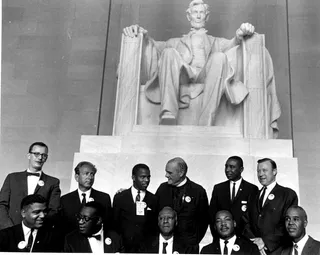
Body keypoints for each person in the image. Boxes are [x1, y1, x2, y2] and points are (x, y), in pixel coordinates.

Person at [123, 0, 256, 126]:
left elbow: (233, 43)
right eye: (195, 12)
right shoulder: (174, 42)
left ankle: (207, 119)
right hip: (184, 73)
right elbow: (152, 46)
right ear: (188, 16)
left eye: (201, 12)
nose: (198, 16)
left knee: (220, 57)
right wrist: (141, 34)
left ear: (207, 16)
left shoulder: (216, 41)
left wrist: (241, 33)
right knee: (168, 52)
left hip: (207, 74)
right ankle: (168, 113)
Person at [243, 158, 298, 255]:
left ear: (274, 171)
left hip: (279, 251)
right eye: (258, 171)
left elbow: (288, 224)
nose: (260, 174)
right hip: (255, 250)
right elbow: (246, 221)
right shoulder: (253, 195)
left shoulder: (287, 194)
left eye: (264, 170)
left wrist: (265, 241)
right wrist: (255, 242)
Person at [0, 142, 61, 229]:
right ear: (29, 155)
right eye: (36, 154)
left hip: (37, 233)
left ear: (46, 158)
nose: (40, 158)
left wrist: (37, 226)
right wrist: (9, 228)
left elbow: (54, 210)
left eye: (44, 155)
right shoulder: (12, 178)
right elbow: (1, 205)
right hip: (10, 230)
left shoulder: (53, 182)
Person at [155, 157, 209, 252]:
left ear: (181, 173)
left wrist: (192, 242)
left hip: (188, 248)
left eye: (170, 173)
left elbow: (203, 222)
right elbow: (155, 214)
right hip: (166, 246)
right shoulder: (162, 189)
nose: (166, 175)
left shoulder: (198, 192)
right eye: (166, 172)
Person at [113, 163, 158, 252]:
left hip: (146, 249)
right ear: (133, 177)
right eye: (143, 177)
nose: (146, 180)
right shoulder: (120, 197)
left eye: (148, 177)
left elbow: (155, 227)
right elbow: (115, 224)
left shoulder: (154, 199)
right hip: (124, 248)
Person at [209, 156, 258, 237]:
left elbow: (252, 217)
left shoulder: (251, 189)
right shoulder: (218, 188)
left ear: (241, 169)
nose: (227, 170)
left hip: (244, 239)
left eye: (232, 167)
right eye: (226, 166)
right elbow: (212, 216)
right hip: (222, 238)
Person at [60, 161, 112, 235]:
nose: (90, 177)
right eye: (86, 174)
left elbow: (108, 225)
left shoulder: (104, 198)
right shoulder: (65, 200)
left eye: (92, 174)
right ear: (77, 177)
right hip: (71, 243)